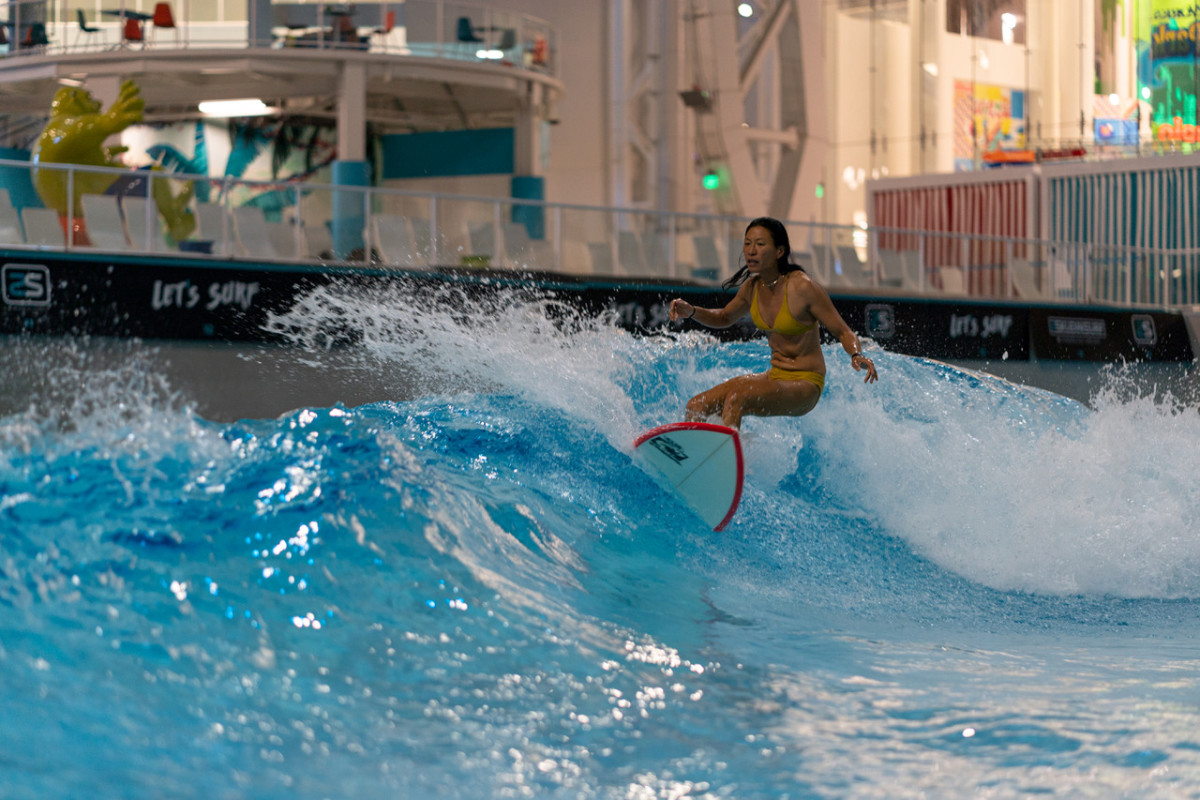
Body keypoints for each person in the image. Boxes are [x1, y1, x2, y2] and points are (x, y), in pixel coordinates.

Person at [668, 217, 878, 429]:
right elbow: (723, 317)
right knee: (696, 406)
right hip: (775, 376)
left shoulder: (803, 288)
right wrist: (692, 311)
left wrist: (856, 354)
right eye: (747, 243)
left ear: (779, 251)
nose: (751, 250)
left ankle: (728, 456)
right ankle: (701, 453)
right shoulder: (752, 288)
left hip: (806, 383)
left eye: (760, 244)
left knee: (737, 398)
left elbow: (842, 331)